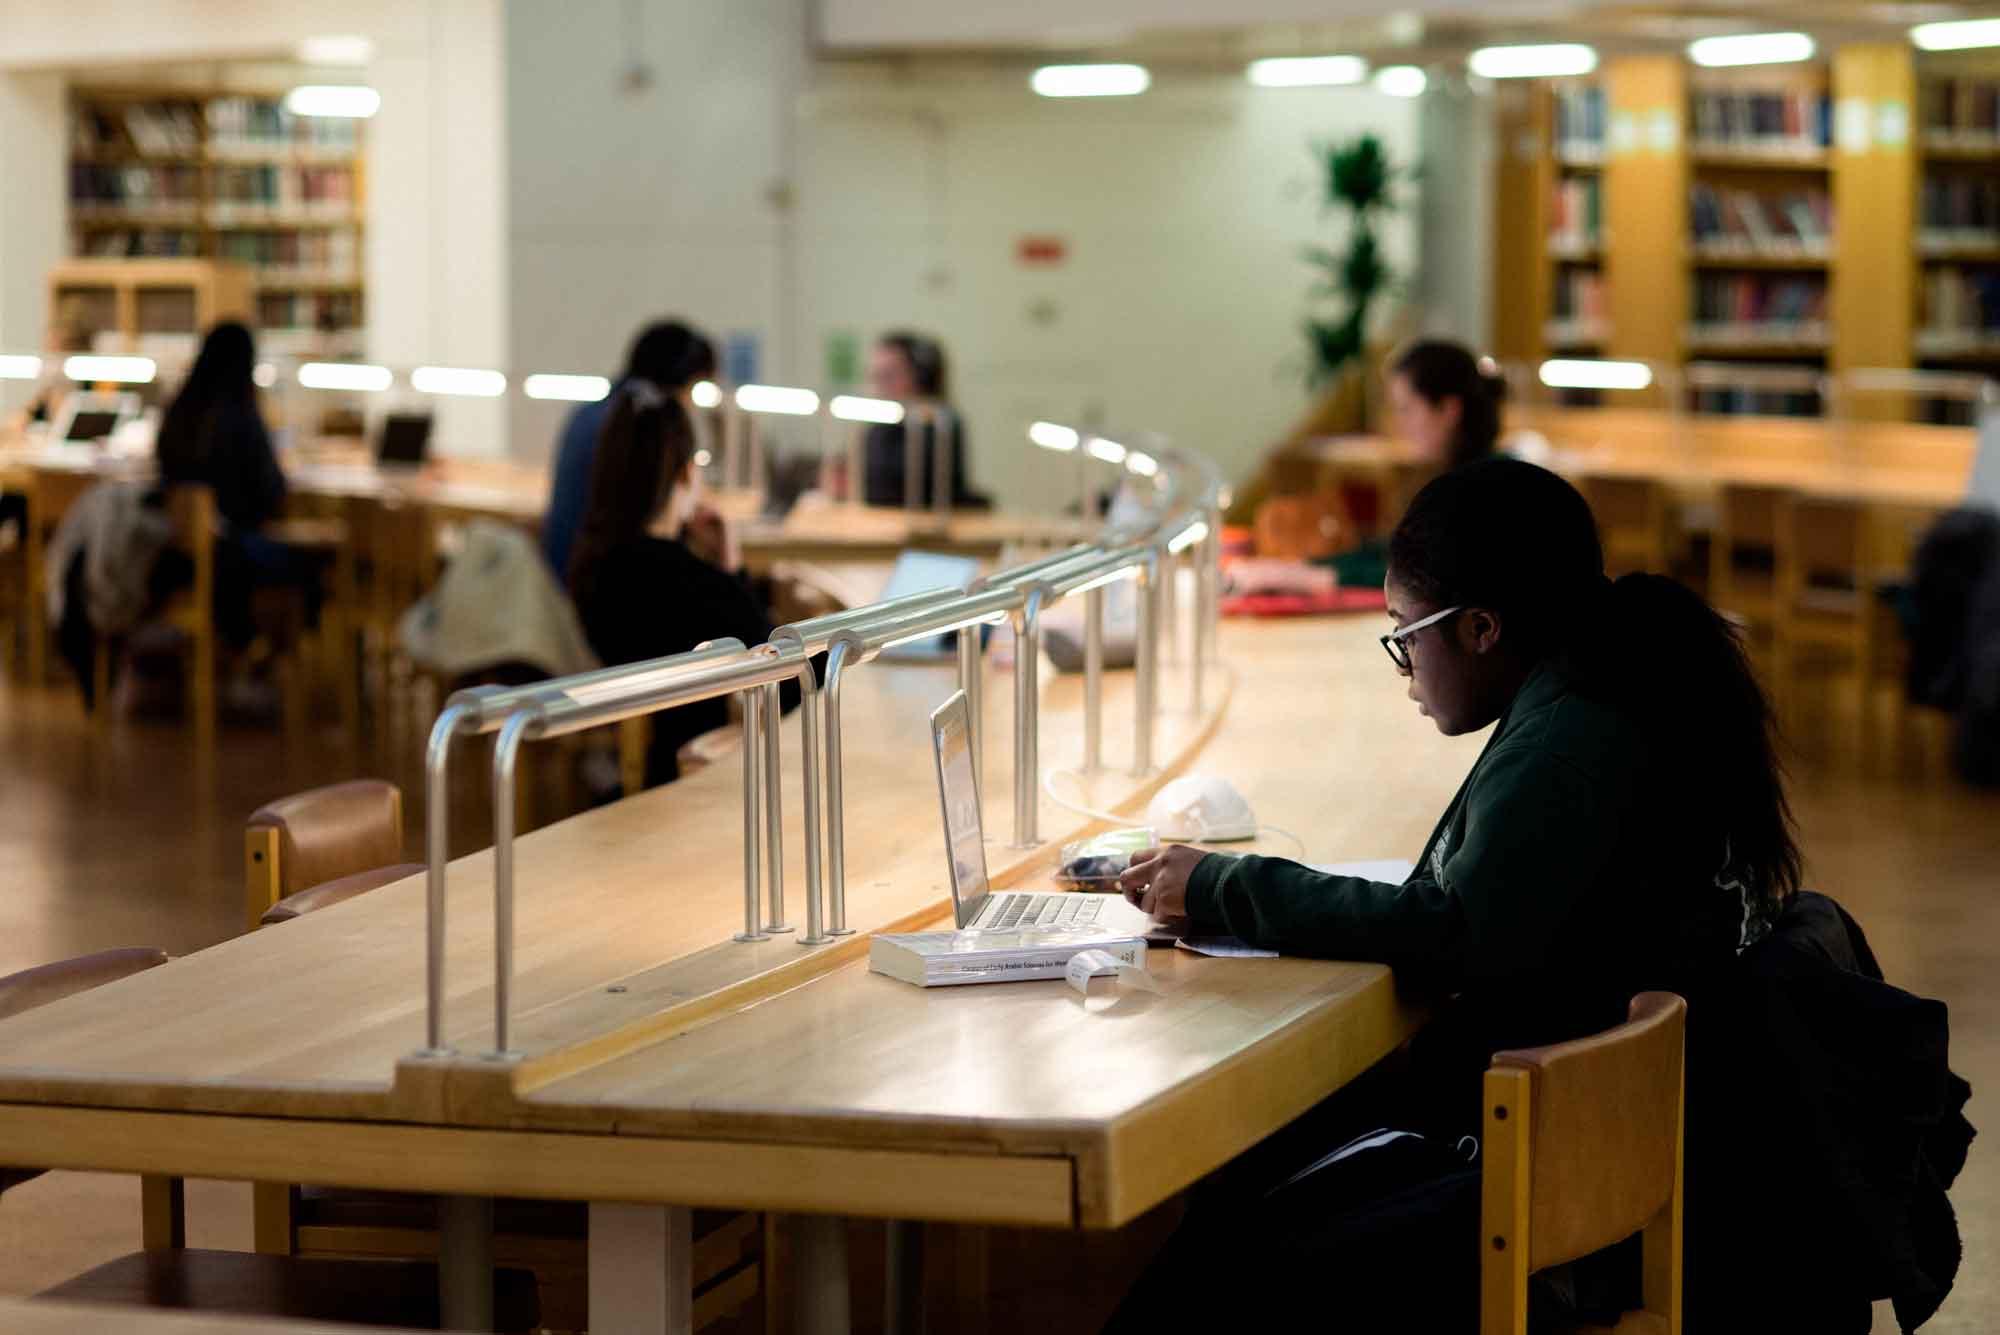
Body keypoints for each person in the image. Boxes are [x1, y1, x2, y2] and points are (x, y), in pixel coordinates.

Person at [1108, 458, 1801, 1329]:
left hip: (1542, 1170)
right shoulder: (1602, 678)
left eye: (1404, 633)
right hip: (1592, 1132)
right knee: (1240, 1187)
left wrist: (1222, 883)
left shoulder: (1569, 739)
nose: (1403, 669)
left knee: (1217, 1257)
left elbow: (1455, 929)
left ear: (1480, 628)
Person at [568, 378, 796, 786]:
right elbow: (785, 674)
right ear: (683, 474)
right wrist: (732, 566)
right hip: (694, 770)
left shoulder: (597, 560)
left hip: (646, 758)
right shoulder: (690, 582)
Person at [154, 321, 305, 651]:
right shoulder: (240, 417)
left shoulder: (179, 413)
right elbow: (270, 492)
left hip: (179, 552)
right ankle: (290, 666)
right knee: (312, 566)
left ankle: (253, 653)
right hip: (230, 554)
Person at [542, 320, 716, 577]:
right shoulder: (635, 429)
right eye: (693, 390)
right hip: (595, 584)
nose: (690, 405)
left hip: (574, 574)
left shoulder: (590, 414)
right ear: (677, 383)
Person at [859, 331, 986, 509]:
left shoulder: (939, 424)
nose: (879, 386)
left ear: (922, 377)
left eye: (888, 375)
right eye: (875, 376)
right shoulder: (880, 425)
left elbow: (898, 487)